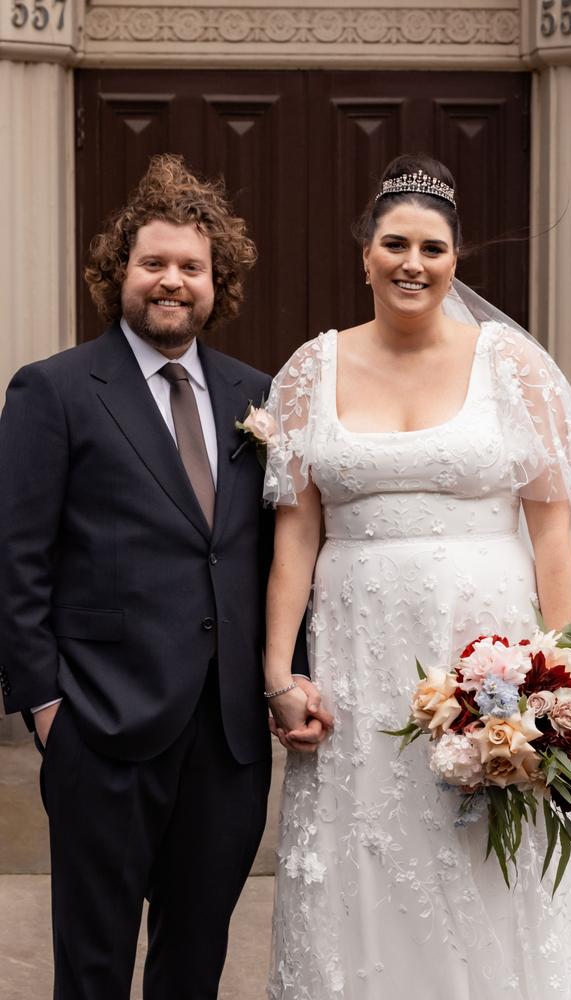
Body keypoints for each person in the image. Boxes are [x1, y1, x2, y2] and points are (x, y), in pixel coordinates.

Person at [261, 153, 571, 998]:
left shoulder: (514, 368)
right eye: (395, 244)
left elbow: (553, 528)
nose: (413, 263)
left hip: (488, 659)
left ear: (455, 259)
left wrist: (553, 680)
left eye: (433, 248)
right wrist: (278, 671)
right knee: (367, 847)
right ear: (364, 251)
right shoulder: (308, 373)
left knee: (484, 856)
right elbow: (295, 533)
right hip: (359, 663)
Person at [0, 154, 327, 999]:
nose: (172, 281)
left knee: (195, 960)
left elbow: (278, 553)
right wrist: (45, 710)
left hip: (226, 739)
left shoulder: (259, 398)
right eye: (154, 264)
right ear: (120, 274)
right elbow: (17, 557)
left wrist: (291, 676)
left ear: (219, 283)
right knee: (94, 962)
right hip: (100, 727)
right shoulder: (56, 390)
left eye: (192, 267)